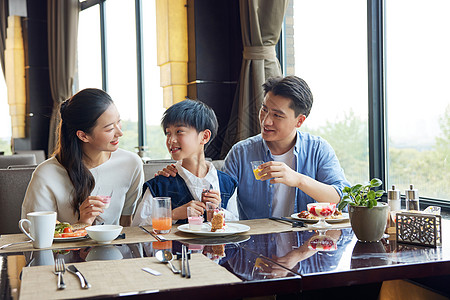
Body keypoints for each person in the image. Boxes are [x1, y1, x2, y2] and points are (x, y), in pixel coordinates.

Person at [158, 76, 349, 220]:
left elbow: (340, 198)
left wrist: (298, 179)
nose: (266, 121)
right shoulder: (242, 153)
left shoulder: (318, 149)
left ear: (299, 121)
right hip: (254, 249)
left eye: (277, 115)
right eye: (264, 109)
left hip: (307, 247)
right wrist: (181, 170)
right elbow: (221, 200)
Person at [21, 88, 144, 226]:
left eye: (119, 122)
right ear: (83, 136)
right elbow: (33, 231)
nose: (120, 133)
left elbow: (126, 224)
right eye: (110, 129)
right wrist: (81, 224)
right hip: (64, 248)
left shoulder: (131, 164)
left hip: (115, 247)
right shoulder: (46, 174)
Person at [132, 99, 239, 226]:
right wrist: (173, 215)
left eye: (179, 132)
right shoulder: (159, 185)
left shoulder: (228, 184)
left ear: (204, 136)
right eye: (168, 133)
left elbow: (237, 225)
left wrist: (219, 212)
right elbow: (137, 230)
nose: (171, 140)